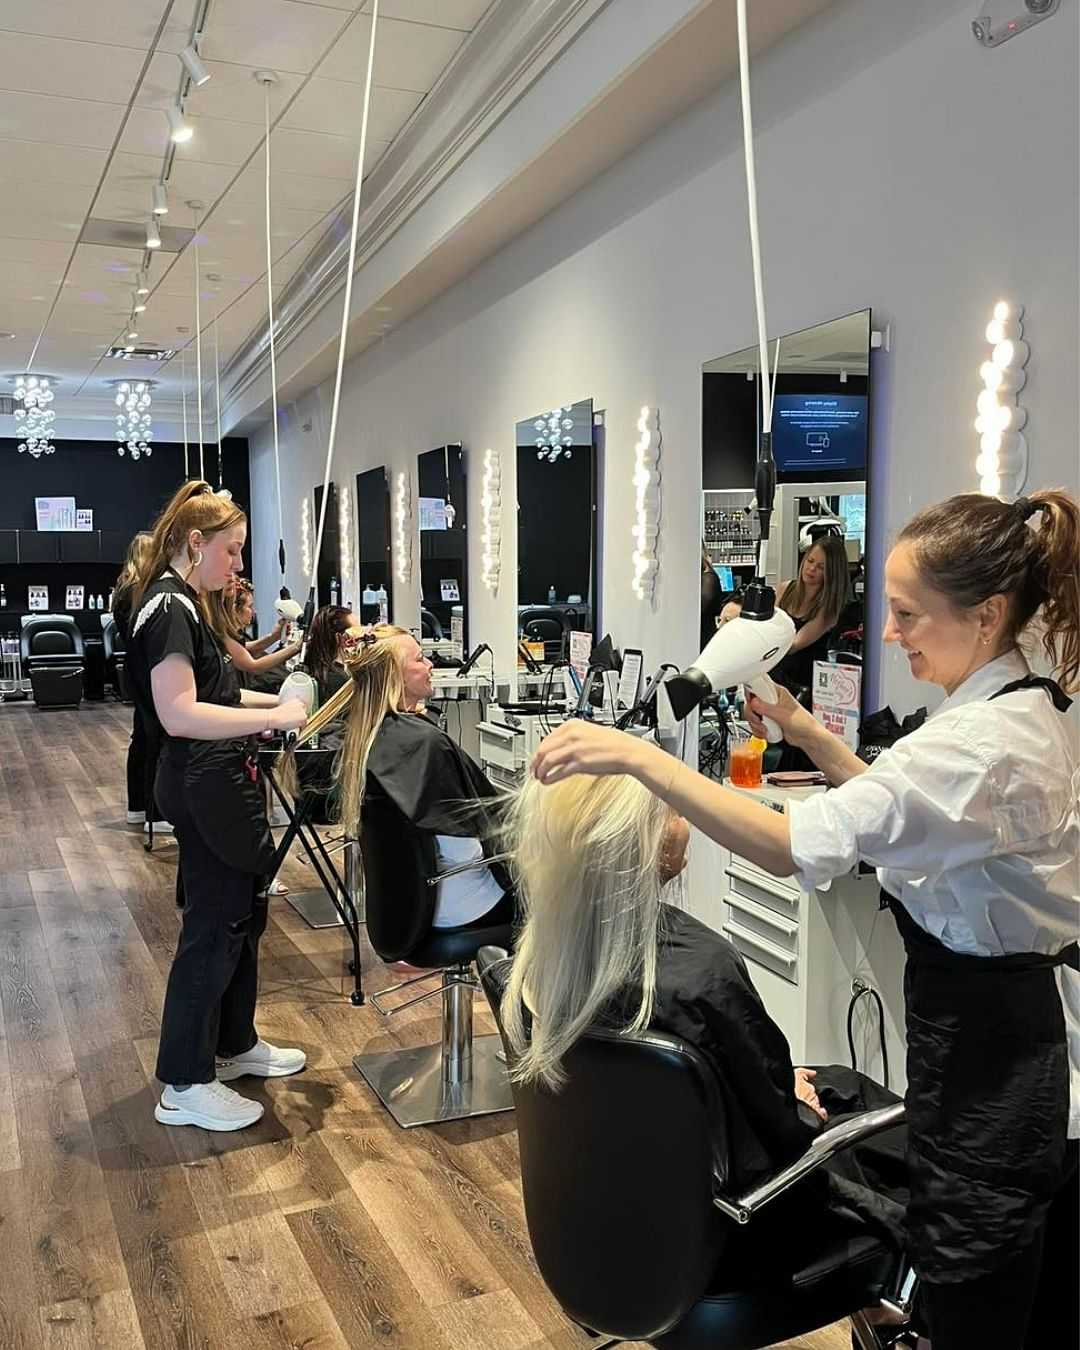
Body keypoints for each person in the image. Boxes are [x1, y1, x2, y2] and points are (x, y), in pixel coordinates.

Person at [532, 489, 1079, 1350]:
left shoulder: (985, 744)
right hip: (968, 1030)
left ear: (987, 617)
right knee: (966, 1254)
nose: (890, 633)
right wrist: (805, 732)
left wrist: (639, 756)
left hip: (999, 1056)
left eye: (906, 614)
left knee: (979, 1277)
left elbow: (792, 845)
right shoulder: (990, 716)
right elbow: (903, 808)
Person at [500, 770, 908, 1266]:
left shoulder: (543, 957)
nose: (683, 820)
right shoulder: (700, 974)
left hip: (622, 1197)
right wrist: (794, 1103)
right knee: (931, 1153)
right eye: (672, 809)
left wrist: (777, 1084)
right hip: (738, 1223)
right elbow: (781, 1133)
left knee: (842, 1081)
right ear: (643, 847)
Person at [125, 480, 309, 1133]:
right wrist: (274, 713)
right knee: (214, 924)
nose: (237, 568)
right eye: (231, 552)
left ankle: (233, 1047)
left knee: (243, 915)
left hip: (214, 776)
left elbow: (220, 694)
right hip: (201, 782)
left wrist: (282, 709)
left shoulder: (187, 605)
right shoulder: (168, 609)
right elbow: (179, 713)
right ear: (195, 542)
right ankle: (184, 1080)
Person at [288, 625, 511, 932]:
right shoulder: (425, 745)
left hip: (398, 910)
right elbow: (464, 852)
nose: (430, 665)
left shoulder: (365, 736)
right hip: (459, 906)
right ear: (396, 676)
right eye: (420, 660)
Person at [720, 532, 851, 699]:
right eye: (810, 561)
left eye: (821, 567)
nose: (811, 569)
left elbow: (793, 645)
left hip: (801, 686)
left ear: (832, 573)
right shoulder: (785, 589)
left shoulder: (828, 610)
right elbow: (766, 625)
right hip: (771, 675)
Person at [111, 531, 169, 832]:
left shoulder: (123, 591)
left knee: (142, 741)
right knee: (153, 742)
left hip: (136, 672)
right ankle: (154, 813)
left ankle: (138, 807)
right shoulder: (140, 594)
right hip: (148, 673)